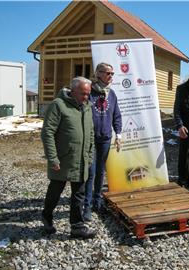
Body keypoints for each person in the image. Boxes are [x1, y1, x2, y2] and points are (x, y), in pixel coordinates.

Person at [41, 76, 96, 239]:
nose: (86, 97)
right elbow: (47, 133)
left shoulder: (87, 107)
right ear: (72, 92)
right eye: (82, 94)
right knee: (55, 192)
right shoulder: (58, 105)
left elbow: (91, 133)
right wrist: (53, 158)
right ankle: (47, 216)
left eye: (88, 94)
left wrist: (90, 155)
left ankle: (77, 226)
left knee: (79, 194)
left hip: (81, 160)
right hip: (62, 160)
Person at [83, 63, 122, 221]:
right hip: (91, 139)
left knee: (100, 172)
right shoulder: (89, 92)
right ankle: (87, 206)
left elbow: (116, 115)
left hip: (105, 138)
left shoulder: (111, 94)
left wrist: (118, 134)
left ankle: (97, 203)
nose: (111, 76)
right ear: (98, 74)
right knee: (90, 173)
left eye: (112, 73)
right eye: (108, 73)